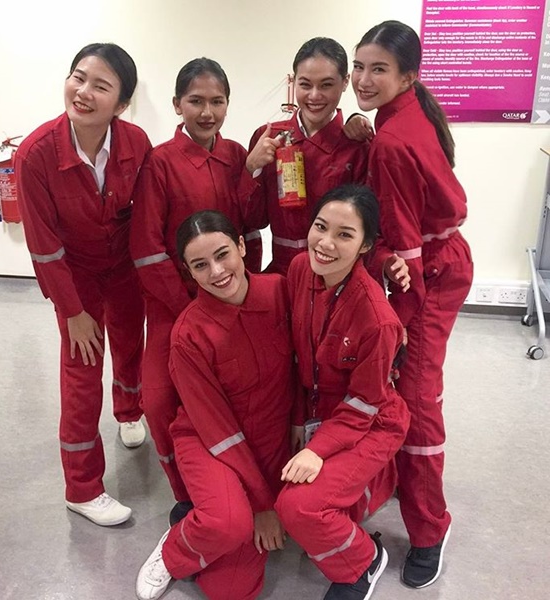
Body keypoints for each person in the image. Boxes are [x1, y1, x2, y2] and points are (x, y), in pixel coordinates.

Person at [350, 20, 474, 588]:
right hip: (441, 259)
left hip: (428, 273)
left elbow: (405, 251)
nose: (363, 79)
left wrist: (396, 326)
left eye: (378, 69)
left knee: (417, 402)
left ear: (408, 77)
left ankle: (430, 529)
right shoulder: (399, 117)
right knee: (402, 394)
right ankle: (398, 490)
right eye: (359, 67)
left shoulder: (393, 141)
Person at [15, 43, 151, 526]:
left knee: (130, 345)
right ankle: (82, 488)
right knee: (82, 373)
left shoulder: (136, 143)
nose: (83, 91)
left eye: (101, 85)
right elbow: (44, 245)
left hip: (124, 268)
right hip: (75, 277)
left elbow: (145, 213)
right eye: (78, 77)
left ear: (122, 103)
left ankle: (129, 410)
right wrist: (73, 312)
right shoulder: (36, 155)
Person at [135, 210, 296, 600]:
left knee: (232, 589)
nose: (217, 272)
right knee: (229, 526)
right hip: (211, 442)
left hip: (272, 438)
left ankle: (211, 523)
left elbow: (303, 368)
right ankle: (174, 550)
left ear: (241, 246)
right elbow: (216, 427)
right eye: (200, 265)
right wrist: (262, 505)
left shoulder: (279, 292)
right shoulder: (188, 334)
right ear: (189, 272)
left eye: (223, 254)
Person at [130, 58, 263, 522]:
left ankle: (239, 479)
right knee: (159, 398)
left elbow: (251, 226)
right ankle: (185, 491)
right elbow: (147, 246)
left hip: (230, 298)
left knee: (235, 391)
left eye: (217, 101)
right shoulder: (160, 162)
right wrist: (186, 303)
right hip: (174, 303)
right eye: (196, 101)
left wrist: (244, 289)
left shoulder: (236, 157)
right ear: (177, 105)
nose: (207, 112)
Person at [275, 184, 410, 600]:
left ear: (366, 245)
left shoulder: (377, 320)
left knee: (298, 507)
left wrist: (317, 450)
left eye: (345, 234)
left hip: (370, 420)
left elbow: (363, 404)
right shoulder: (301, 269)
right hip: (317, 409)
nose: (326, 243)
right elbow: (296, 359)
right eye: (321, 227)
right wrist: (297, 420)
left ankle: (364, 560)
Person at [243, 37, 370, 275]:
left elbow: (367, 226)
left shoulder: (357, 146)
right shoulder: (267, 138)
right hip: (282, 272)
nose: (314, 95)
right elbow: (254, 220)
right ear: (293, 82)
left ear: (345, 82)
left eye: (326, 85)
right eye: (305, 84)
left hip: (335, 274)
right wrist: (252, 168)